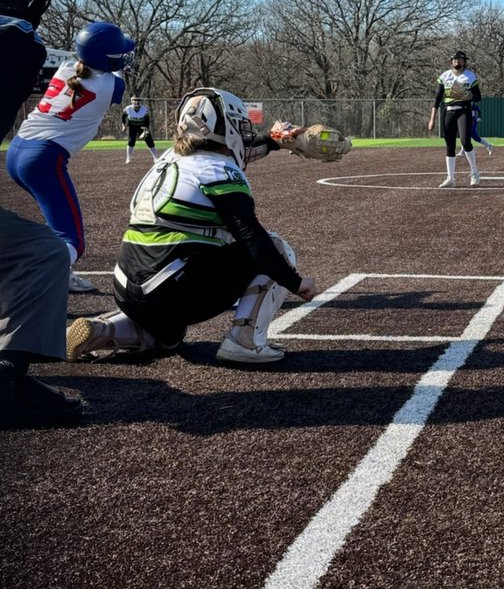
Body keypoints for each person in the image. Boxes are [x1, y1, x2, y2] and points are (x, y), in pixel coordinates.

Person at [66, 88, 317, 365]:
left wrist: (273, 140)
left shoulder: (169, 160)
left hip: (126, 288)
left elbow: (232, 152)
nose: (243, 132)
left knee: (168, 336)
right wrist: (295, 282)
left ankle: (106, 329)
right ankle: (246, 343)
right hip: (170, 289)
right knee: (275, 248)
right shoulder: (217, 170)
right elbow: (251, 237)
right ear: (223, 126)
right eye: (238, 124)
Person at [0, 0, 83, 426]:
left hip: (25, 151)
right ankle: (8, 377)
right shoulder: (16, 38)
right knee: (46, 250)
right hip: (43, 154)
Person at [6, 20, 135, 292]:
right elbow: (117, 75)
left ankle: (61, 275)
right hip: (43, 158)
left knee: (56, 223)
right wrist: (118, 60)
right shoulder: (109, 86)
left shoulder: (67, 69)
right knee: (72, 239)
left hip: (18, 151)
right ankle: (30, 279)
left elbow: (95, 65)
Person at [428, 50, 482, 187]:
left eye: (459, 59)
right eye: (454, 59)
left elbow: (478, 97)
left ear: (464, 61)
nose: (456, 61)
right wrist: (432, 118)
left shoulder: (470, 76)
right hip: (449, 112)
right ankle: (450, 178)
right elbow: (437, 98)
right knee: (450, 145)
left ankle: (475, 173)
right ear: (451, 61)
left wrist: (466, 95)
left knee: (465, 141)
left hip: (464, 111)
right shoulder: (445, 76)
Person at [122, 95, 158, 164]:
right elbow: (123, 116)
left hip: (142, 126)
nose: (136, 102)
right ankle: (128, 158)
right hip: (132, 126)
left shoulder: (144, 110)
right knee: (131, 141)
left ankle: (155, 158)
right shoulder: (128, 109)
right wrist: (123, 125)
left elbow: (147, 121)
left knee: (149, 141)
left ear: (140, 101)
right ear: (131, 101)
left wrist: (146, 129)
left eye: (138, 100)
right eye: (134, 100)